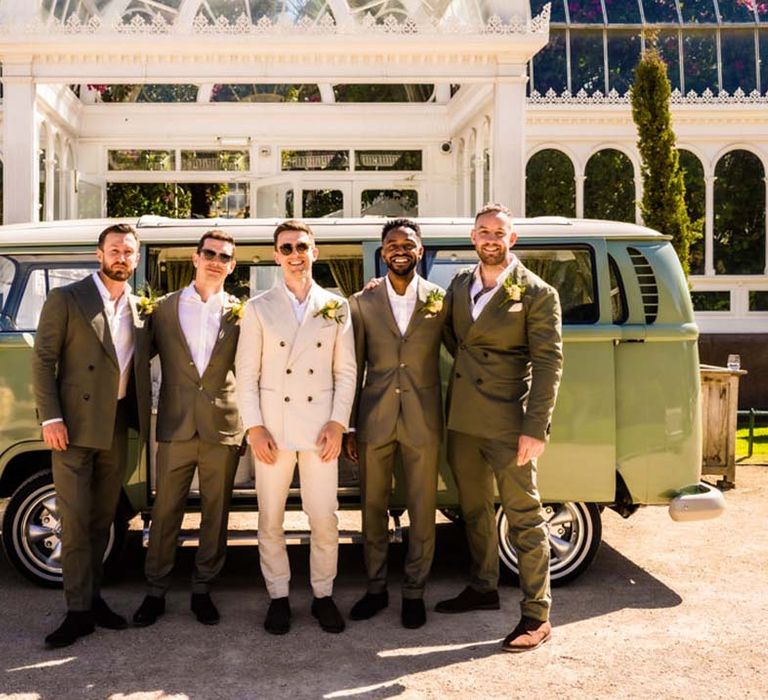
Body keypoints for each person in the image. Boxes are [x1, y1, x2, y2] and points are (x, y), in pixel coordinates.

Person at [435, 203, 563, 653]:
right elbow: (451, 338)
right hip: (464, 420)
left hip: (510, 422)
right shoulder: (457, 285)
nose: (491, 239)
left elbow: (549, 363)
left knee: (525, 517)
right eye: (483, 231)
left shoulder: (537, 292)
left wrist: (536, 427)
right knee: (473, 509)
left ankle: (537, 614)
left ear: (513, 239)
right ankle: (483, 587)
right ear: (473, 238)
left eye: (499, 232)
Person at [33, 223, 151, 649]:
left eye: (128, 252)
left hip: (116, 426)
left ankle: (93, 600)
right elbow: (43, 360)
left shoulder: (141, 308)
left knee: (103, 519)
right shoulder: (67, 298)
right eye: (114, 250)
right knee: (75, 520)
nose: (121, 257)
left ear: (136, 259)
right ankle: (77, 612)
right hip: (74, 427)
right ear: (99, 254)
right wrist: (51, 419)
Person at [236, 220, 356, 635]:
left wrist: (339, 422)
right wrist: (254, 428)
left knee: (324, 517)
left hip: (321, 428)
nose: (294, 254)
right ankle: (279, 597)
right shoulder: (258, 306)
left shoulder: (336, 306)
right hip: (273, 428)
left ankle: (323, 595)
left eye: (302, 246)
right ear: (276, 255)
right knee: (270, 518)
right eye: (286, 247)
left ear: (315, 252)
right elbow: (246, 373)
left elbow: (346, 370)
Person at [133, 230, 244, 628]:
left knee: (217, 512)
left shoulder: (240, 311)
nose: (216, 261)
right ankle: (155, 590)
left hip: (222, 426)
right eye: (209, 253)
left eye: (224, 256)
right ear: (196, 258)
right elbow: (136, 359)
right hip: (176, 424)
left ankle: (203, 588)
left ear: (232, 266)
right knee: (165, 511)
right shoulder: (162, 309)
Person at [344, 219, 446, 629]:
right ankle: (375, 588)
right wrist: (350, 424)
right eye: (392, 244)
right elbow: (351, 365)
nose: (399, 249)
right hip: (375, 418)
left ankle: (415, 593)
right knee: (372, 506)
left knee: (423, 508)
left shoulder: (441, 298)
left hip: (424, 419)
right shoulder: (362, 301)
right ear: (382, 252)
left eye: (408, 243)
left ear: (420, 251)